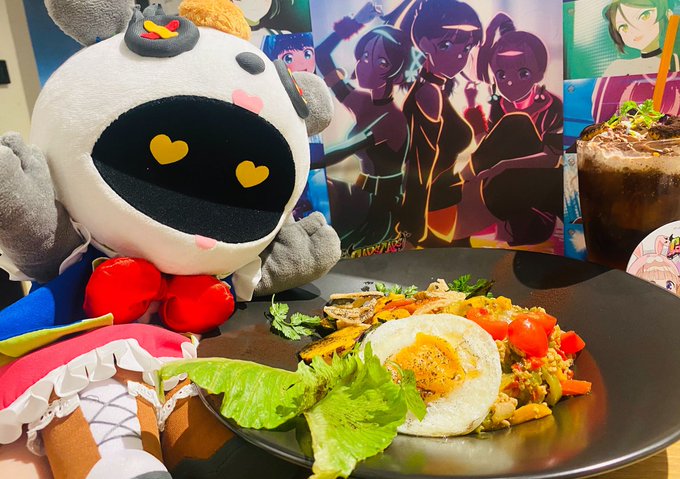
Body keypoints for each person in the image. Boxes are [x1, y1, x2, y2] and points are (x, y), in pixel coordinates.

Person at [315, 1, 411, 250]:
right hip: (362, 195)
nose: (366, 64)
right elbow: (321, 55)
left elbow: (342, 151)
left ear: (398, 73)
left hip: (382, 208)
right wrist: (355, 23)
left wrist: (301, 159)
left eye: (382, 62)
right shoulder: (361, 101)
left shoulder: (392, 119)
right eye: (366, 56)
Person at [397, 0, 482, 247]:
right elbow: (420, 164)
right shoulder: (428, 93)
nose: (460, 56)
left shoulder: (434, 89)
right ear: (425, 43)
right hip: (435, 209)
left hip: (445, 203)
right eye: (446, 45)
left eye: (466, 48)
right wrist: (413, 228)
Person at [603, 0, 678, 77]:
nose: (633, 30)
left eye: (645, 16)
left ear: (668, 14)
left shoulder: (674, 60)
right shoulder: (619, 67)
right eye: (624, 27)